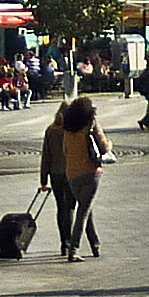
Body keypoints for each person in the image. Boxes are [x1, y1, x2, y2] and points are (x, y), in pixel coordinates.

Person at [61, 96, 109, 261]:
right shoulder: (91, 126)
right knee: (83, 212)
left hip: (72, 173)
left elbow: (65, 151)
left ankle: (95, 245)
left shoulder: (66, 130)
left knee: (85, 208)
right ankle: (73, 250)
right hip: (90, 172)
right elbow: (103, 147)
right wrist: (110, 144)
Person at [41, 103, 88, 258]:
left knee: (61, 208)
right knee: (72, 208)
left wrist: (43, 179)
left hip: (55, 174)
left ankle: (64, 243)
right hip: (71, 173)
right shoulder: (73, 131)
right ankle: (72, 244)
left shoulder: (51, 130)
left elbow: (46, 156)